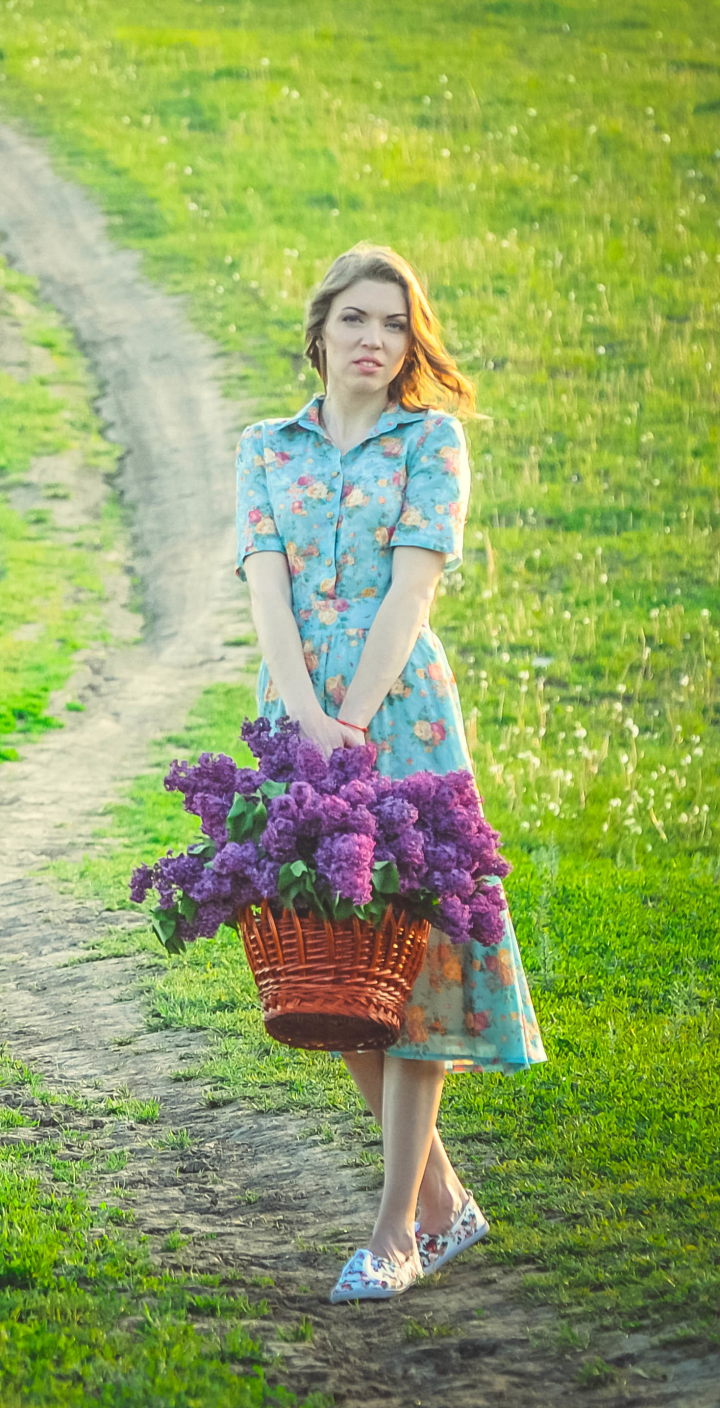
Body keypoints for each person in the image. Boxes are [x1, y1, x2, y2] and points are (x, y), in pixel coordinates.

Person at [235, 241, 546, 1303]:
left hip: (400, 721)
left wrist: (354, 722)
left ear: (412, 344)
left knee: (409, 970)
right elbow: (266, 595)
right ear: (319, 332)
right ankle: (445, 1201)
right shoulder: (265, 450)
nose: (375, 340)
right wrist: (307, 723)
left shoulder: (432, 443)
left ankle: (394, 1233)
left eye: (395, 323)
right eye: (357, 319)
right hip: (293, 722)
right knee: (332, 972)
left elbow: (413, 592)